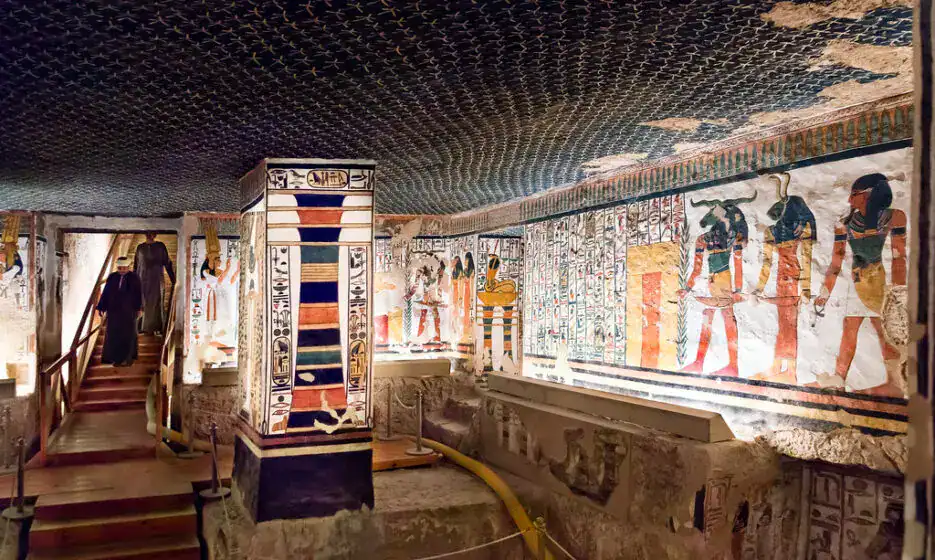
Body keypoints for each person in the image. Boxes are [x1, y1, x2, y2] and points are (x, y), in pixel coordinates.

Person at [814, 173, 907, 396]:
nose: (849, 200)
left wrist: (898, 293)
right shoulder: (845, 224)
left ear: (868, 195)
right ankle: (839, 377)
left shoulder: (895, 217)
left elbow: (899, 258)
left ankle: (895, 381)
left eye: (854, 194)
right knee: (850, 326)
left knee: (882, 329)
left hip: (878, 282)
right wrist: (824, 293)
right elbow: (836, 263)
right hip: (857, 282)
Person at [97, 257, 143, 366]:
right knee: (114, 335)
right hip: (114, 311)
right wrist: (101, 307)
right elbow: (106, 292)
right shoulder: (112, 277)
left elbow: (139, 294)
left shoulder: (134, 278)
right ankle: (115, 358)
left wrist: (139, 308)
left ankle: (127, 359)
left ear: (128, 267)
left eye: (124, 268)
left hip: (129, 311)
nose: (122, 270)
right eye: (120, 268)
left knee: (128, 335)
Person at [134, 233, 175, 334]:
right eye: (148, 233)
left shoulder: (160, 246)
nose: (150, 235)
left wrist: (173, 279)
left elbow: (167, 263)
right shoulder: (140, 248)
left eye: (152, 233)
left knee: (157, 303)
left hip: (157, 280)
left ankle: (157, 328)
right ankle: (141, 327)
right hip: (142, 280)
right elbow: (136, 266)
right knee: (143, 303)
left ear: (155, 235)